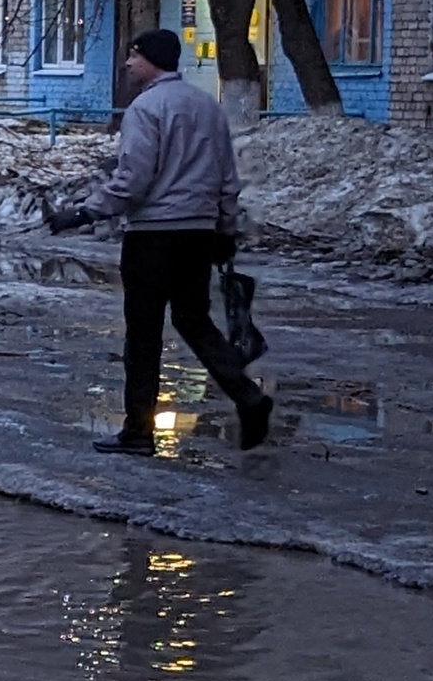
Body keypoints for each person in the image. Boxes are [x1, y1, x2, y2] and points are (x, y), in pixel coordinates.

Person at [50, 28, 272, 455]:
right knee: (195, 321)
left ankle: (138, 431)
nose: (128, 63)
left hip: (153, 236)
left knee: (144, 334)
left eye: (133, 56)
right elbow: (228, 178)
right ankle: (249, 397)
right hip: (198, 235)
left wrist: (83, 212)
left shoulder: (145, 108)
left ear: (151, 59)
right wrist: (224, 230)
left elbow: (133, 181)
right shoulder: (207, 106)